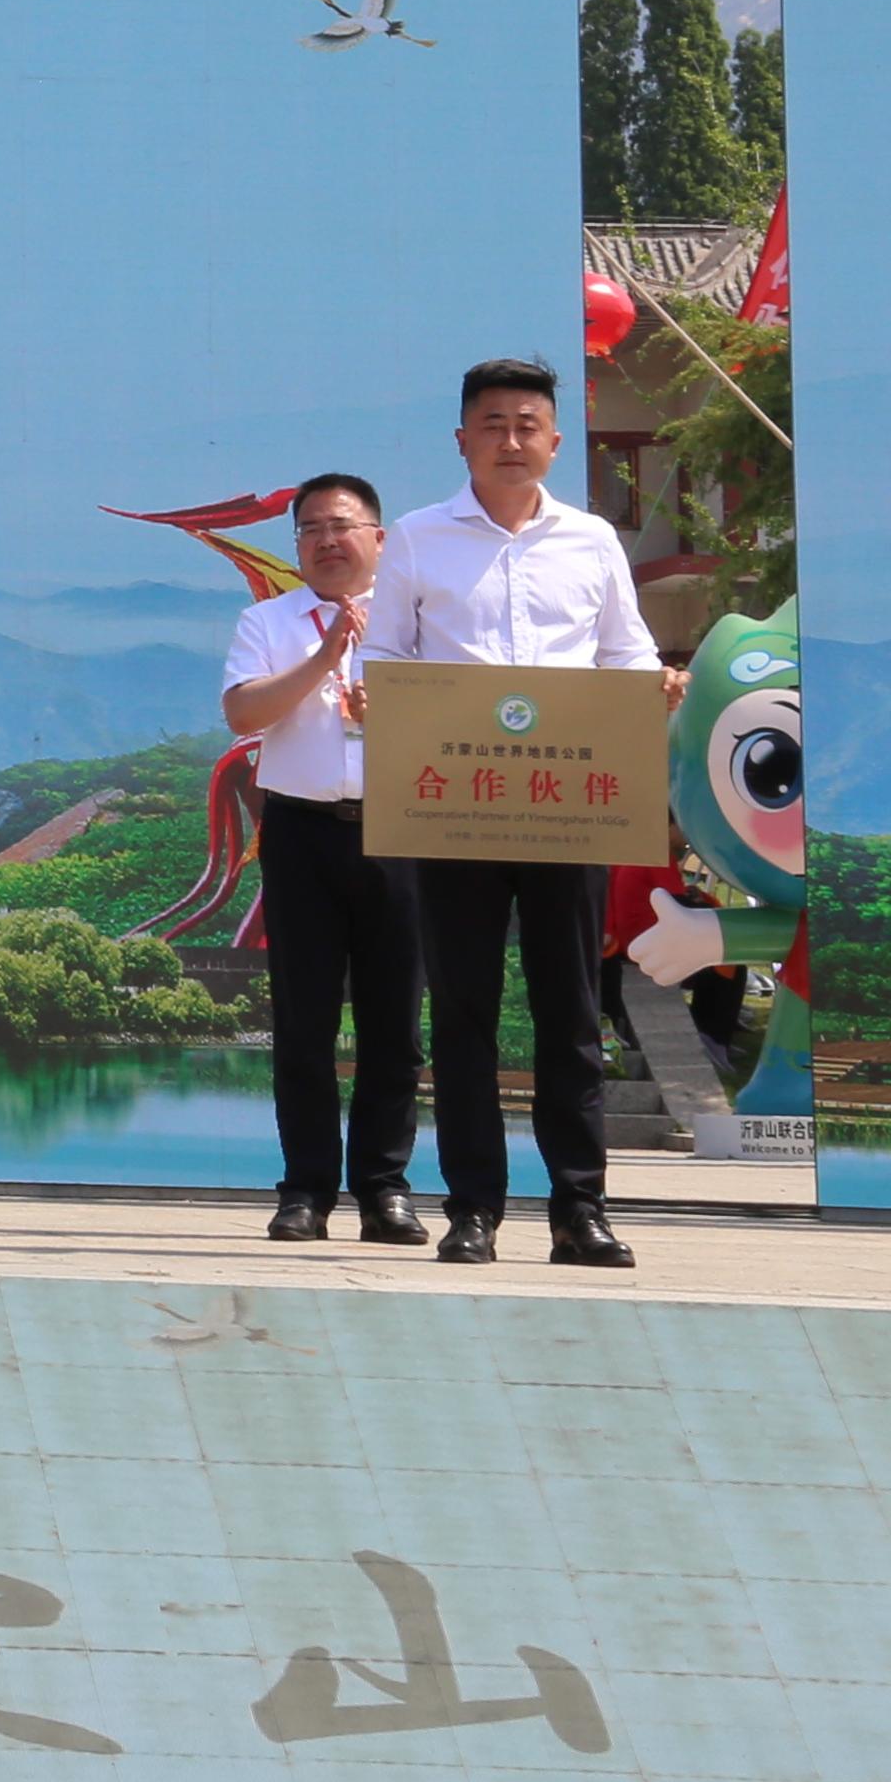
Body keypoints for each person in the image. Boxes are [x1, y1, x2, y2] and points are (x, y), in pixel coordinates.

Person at [361, 355, 668, 1268]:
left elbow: (625, 654)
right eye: (492, 424)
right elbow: (388, 656)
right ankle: (474, 1211)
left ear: (555, 442)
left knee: (571, 1009)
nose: (510, 440)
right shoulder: (417, 537)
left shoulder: (592, 540)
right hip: (457, 802)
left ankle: (580, 1208)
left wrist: (655, 685)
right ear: (462, 439)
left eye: (527, 425)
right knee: (464, 1012)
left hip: (568, 800)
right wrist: (378, 699)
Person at [224, 472, 422, 1244]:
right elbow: (243, 710)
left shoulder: (418, 621)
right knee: (304, 1022)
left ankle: (384, 1189)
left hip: (400, 831)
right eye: (310, 529)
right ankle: (305, 1190)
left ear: (379, 538)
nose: (327, 541)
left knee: (393, 1023)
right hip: (302, 831)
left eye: (342, 526)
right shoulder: (268, 621)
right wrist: (326, 655)